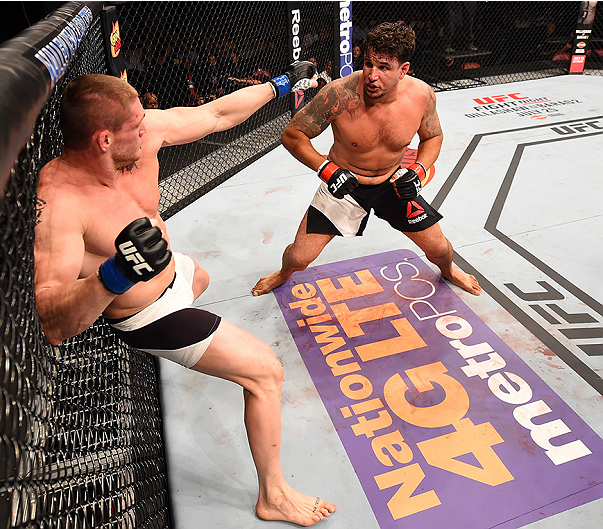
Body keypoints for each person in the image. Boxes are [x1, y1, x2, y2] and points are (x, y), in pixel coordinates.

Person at [33, 63, 337, 526]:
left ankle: (191, 330)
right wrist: (114, 275)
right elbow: (53, 323)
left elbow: (215, 115)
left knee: (201, 277)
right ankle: (273, 495)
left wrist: (279, 85)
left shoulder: (143, 135)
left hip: (175, 279)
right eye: (136, 125)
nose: (149, 125)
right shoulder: (60, 203)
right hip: (144, 313)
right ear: (104, 140)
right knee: (265, 372)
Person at [252, 21, 481, 298]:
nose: (372, 75)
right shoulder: (339, 93)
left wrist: (418, 172)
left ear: (403, 70)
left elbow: (433, 137)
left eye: (384, 68)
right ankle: (283, 274)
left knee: (440, 250)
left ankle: (449, 271)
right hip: (343, 184)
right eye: (369, 64)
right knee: (299, 258)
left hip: (393, 184)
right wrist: (327, 170)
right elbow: (293, 135)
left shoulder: (422, 96)